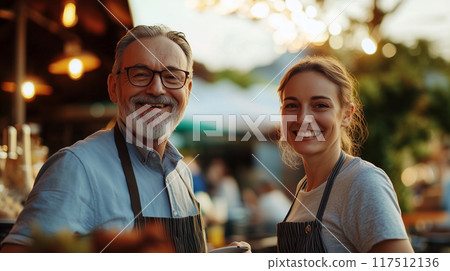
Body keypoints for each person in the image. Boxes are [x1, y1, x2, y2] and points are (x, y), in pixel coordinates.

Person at [1, 25, 206, 253]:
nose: (157, 88)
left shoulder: (182, 174)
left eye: (172, 76)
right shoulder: (76, 166)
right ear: (113, 87)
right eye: (140, 74)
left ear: (187, 90)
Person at [276, 56, 414, 253]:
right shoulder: (303, 188)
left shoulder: (363, 182)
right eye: (291, 105)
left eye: (320, 105)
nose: (303, 118)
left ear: (346, 114)